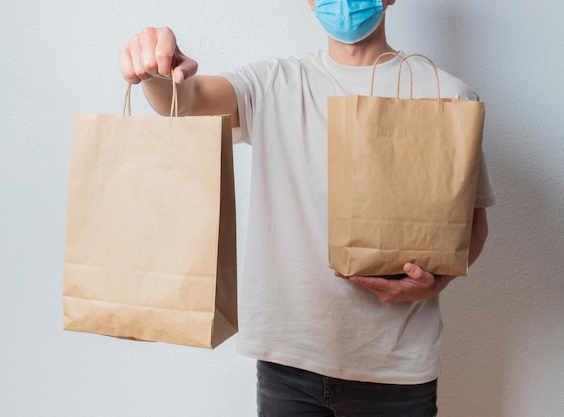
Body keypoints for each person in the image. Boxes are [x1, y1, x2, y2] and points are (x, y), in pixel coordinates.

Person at [119, 1, 496, 416]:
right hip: (287, 365)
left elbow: (472, 225)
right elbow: (188, 102)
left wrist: (435, 284)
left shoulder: (450, 97)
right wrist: (156, 71)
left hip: (398, 369)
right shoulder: (271, 84)